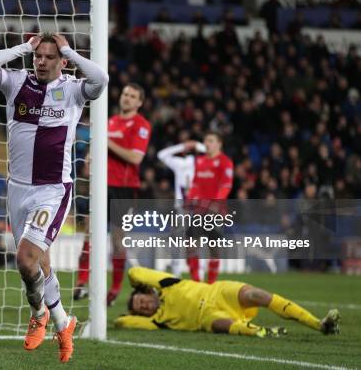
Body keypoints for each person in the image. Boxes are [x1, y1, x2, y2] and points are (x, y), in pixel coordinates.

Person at [0, 32, 108, 363]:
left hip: (52, 190)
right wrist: (23, 48)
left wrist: (69, 51)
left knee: (25, 258)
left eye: (50, 57)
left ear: (61, 61)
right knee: (39, 262)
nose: (43, 61)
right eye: (39, 56)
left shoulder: (74, 90)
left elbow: (101, 78)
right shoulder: (17, 83)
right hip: (17, 188)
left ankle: (38, 315)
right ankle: (64, 323)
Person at [74, 83, 151, 306]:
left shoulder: (141, 125)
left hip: (124, 188)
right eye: (125, 94)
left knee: (117, 241)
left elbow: (136, 158)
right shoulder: (110, 122)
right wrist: (90, 157)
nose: (127, 98)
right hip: (100, 185)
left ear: (139, 102)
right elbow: (96, 148)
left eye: (132, 96)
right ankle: (81, 283)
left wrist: (106, 142)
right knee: (88, 232)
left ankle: (115, 288)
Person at [115, 267, 341, 337]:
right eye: (140, 309)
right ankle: (262, 332)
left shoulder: (165, 283)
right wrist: (132, 315)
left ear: (147, 291)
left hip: (219, 292)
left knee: (257, 295)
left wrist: (137, 286)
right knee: (220, 325)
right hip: (206, 318)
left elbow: (134, 271)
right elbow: (123, 322)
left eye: (141, 300)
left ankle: (319, 324)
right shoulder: (156, 321)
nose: (143, 306)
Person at [186, 132, 233, 284]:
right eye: (206, 141)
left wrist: (216, 204)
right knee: (191, 245)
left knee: (214, 249)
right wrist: (189, 199)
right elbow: (195, 184)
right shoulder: (200, 161)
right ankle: (196, 283)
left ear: (219, 144)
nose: (207, 144)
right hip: (199, 209)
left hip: (216, 211)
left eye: (211, 141)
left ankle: (211, 284)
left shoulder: (225, 162)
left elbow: (225, 186)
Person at [157, 140, 206, 278]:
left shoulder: (182, 163)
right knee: (194, 242)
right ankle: (198, 275)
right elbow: (214, 153)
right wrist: (196, 145)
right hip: (191, 208)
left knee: (179, 241)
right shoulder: (201, 162)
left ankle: (177, 274)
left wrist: (183, 145)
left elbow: (161, 155)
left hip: (188, 208)